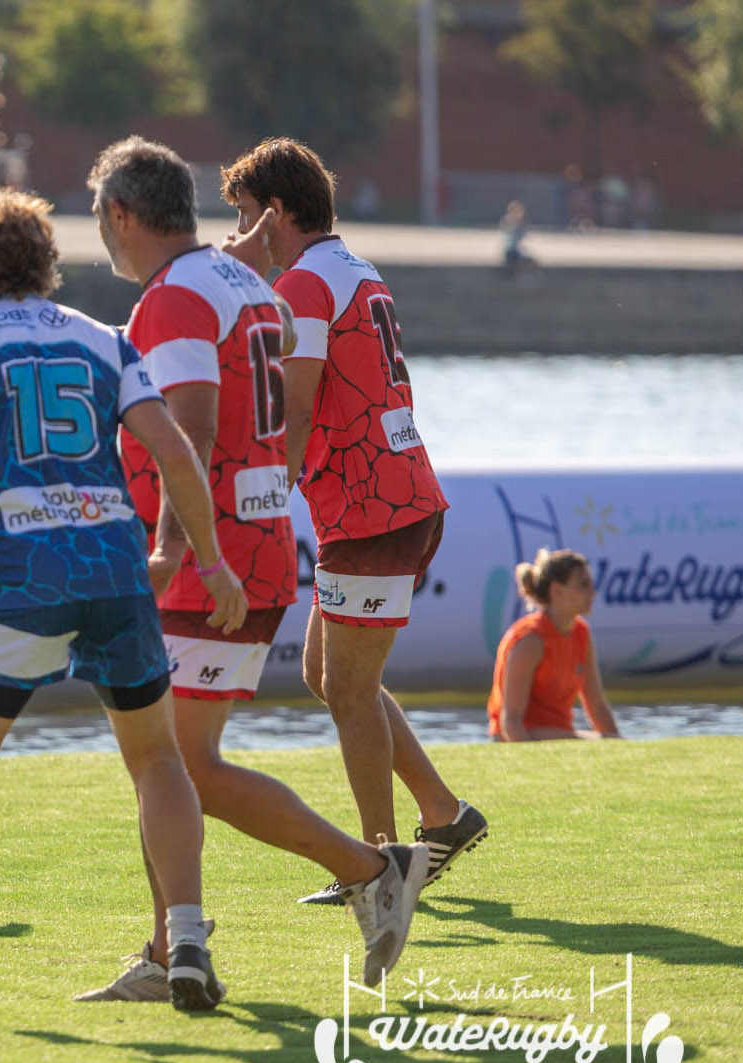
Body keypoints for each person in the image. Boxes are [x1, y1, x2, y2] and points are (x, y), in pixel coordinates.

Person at [0, 188, 249, 1024]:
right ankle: (186, 940)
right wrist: (209, 561)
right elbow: (174, 448)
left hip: (16, 577)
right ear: (49, 263)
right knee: (158, 761)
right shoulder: (106, 340)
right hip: (115, 568)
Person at [78, 137, 426, 1000]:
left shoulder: (176, 297)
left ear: (122, 216)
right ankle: (170, 950)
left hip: (209, 547)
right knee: (171, 760)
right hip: (259, 537)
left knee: (176, 763)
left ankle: (367, 868)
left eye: (101, 221)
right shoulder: (238, 281)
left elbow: (188, 429)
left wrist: (169, 547)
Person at [217, 138, 488, 903]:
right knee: (329, 676)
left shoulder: (304, 284)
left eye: (244, 215)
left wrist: (263, 507)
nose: (241, 233)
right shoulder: (356, 269)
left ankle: (381, 865)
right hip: (389, 498)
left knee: (348, 688)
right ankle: (441, 814)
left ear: (275, 213)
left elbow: (296, 406)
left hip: (373, 510)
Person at [488, 549, 620, 741]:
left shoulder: (581, 633)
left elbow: (597, 706)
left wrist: (617, 743)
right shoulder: (530, 641)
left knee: (601, 739)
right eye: (583, 584)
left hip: (561, 735)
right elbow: (511, 722)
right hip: (517, 738)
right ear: (556, 590)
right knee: (589, 740)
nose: (593, 592)